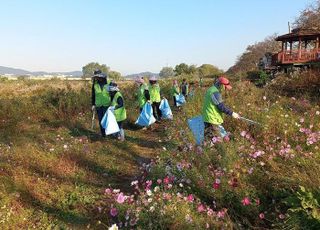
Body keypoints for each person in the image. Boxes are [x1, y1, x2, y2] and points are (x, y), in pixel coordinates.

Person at [202, 76, 240, 142]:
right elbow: (221, 106)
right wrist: (232, 113)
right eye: (225, 88)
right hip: (212, 119)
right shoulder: (215, 92)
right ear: (222, 85)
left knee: (208, 139)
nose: (225, 90)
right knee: (218, 140)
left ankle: (206, 150)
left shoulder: (211, 89)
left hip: (207, 117)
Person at [91, 70, 111, 137]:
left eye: (98, 76)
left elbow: (113, 93)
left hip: (107, 105)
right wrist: (93, 104)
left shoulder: (109, 83)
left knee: (107, 120)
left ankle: (108, 133)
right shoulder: (95, 84)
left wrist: (113, 103)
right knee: (101, 120)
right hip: (98, 105)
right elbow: (93, 95)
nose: (97, 78)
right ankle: (103, 134)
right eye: (96, 77)